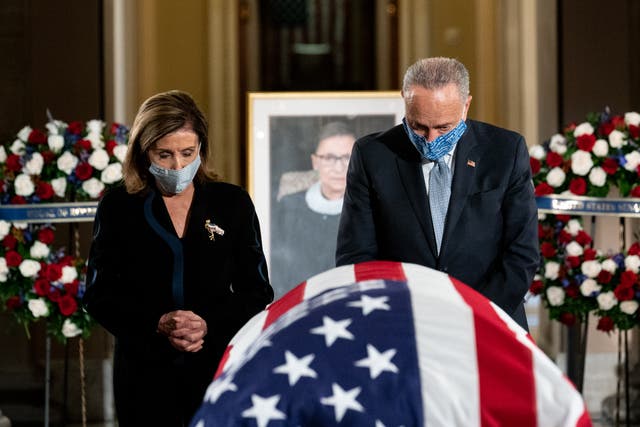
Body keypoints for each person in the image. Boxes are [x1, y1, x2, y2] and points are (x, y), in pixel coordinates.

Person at [82, 90, 273, 426]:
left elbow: (257, 292)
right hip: (144, 373)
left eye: (188, 153)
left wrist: (207, 324)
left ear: (202, 148)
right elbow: (100, 296)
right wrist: (158, 322)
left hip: (218, 367)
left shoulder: (232, 203)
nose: (178, 166)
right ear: (144, 153)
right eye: (165, 154)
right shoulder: (118, 208)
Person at [336, 57, 539, 329]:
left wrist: (469, 318)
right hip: (401, 324)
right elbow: (356, 256)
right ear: (404, 102)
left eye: (444, 127)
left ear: (466, 106)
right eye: (418, 126)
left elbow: (521, 254)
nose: (431, 139)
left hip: (490, 322)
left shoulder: (505, 151)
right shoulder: (372, 155)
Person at [270, 121, 355, 297]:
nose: (339, 168)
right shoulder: (288, 208)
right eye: (330, 158)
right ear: (315, 162)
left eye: (348, 157)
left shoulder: (370, 210)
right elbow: (276, 272)